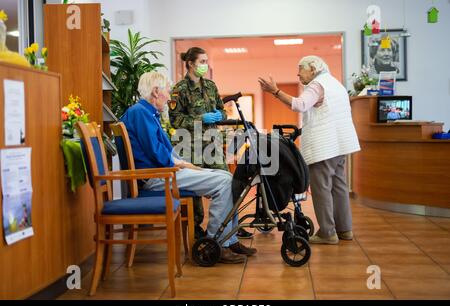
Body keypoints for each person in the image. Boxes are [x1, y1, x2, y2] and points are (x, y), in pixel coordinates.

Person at [121, 71, 256, 263]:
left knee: (227, 177)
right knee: (225, 181)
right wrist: (180, 163)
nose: (169, 97)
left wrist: (182, 163)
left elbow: (160, 150)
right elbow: (157, 153)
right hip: (157, 176)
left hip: (163, 172)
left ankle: (229, 239)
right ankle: (217, 243)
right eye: (167, 92)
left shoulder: (146, 112)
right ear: (156, 91)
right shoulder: (140, 113)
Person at [259, 56, 361, 245]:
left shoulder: (317, 85)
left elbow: (300, 104)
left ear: (313, 69)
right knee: (339, 186)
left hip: (325, 145)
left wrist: (275, 91)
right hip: (341, 145)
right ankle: (344, 229)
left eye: (301, 69)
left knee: (321, 188)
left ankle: (328, 232)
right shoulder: (335, 84)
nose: (298, 73)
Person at [170, 47, 253, 239]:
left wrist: (219, 115)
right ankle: (196, 229)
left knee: (229, 182)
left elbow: (222, 111)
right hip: (190, 146)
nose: (205, 66)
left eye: (207, 62)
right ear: (190, 64)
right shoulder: (179, 90)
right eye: (202, 62)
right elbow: (175, 120)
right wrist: (200, 118)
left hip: (213, 144)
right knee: (194, 190)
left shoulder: (210, 86)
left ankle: (231, 225)